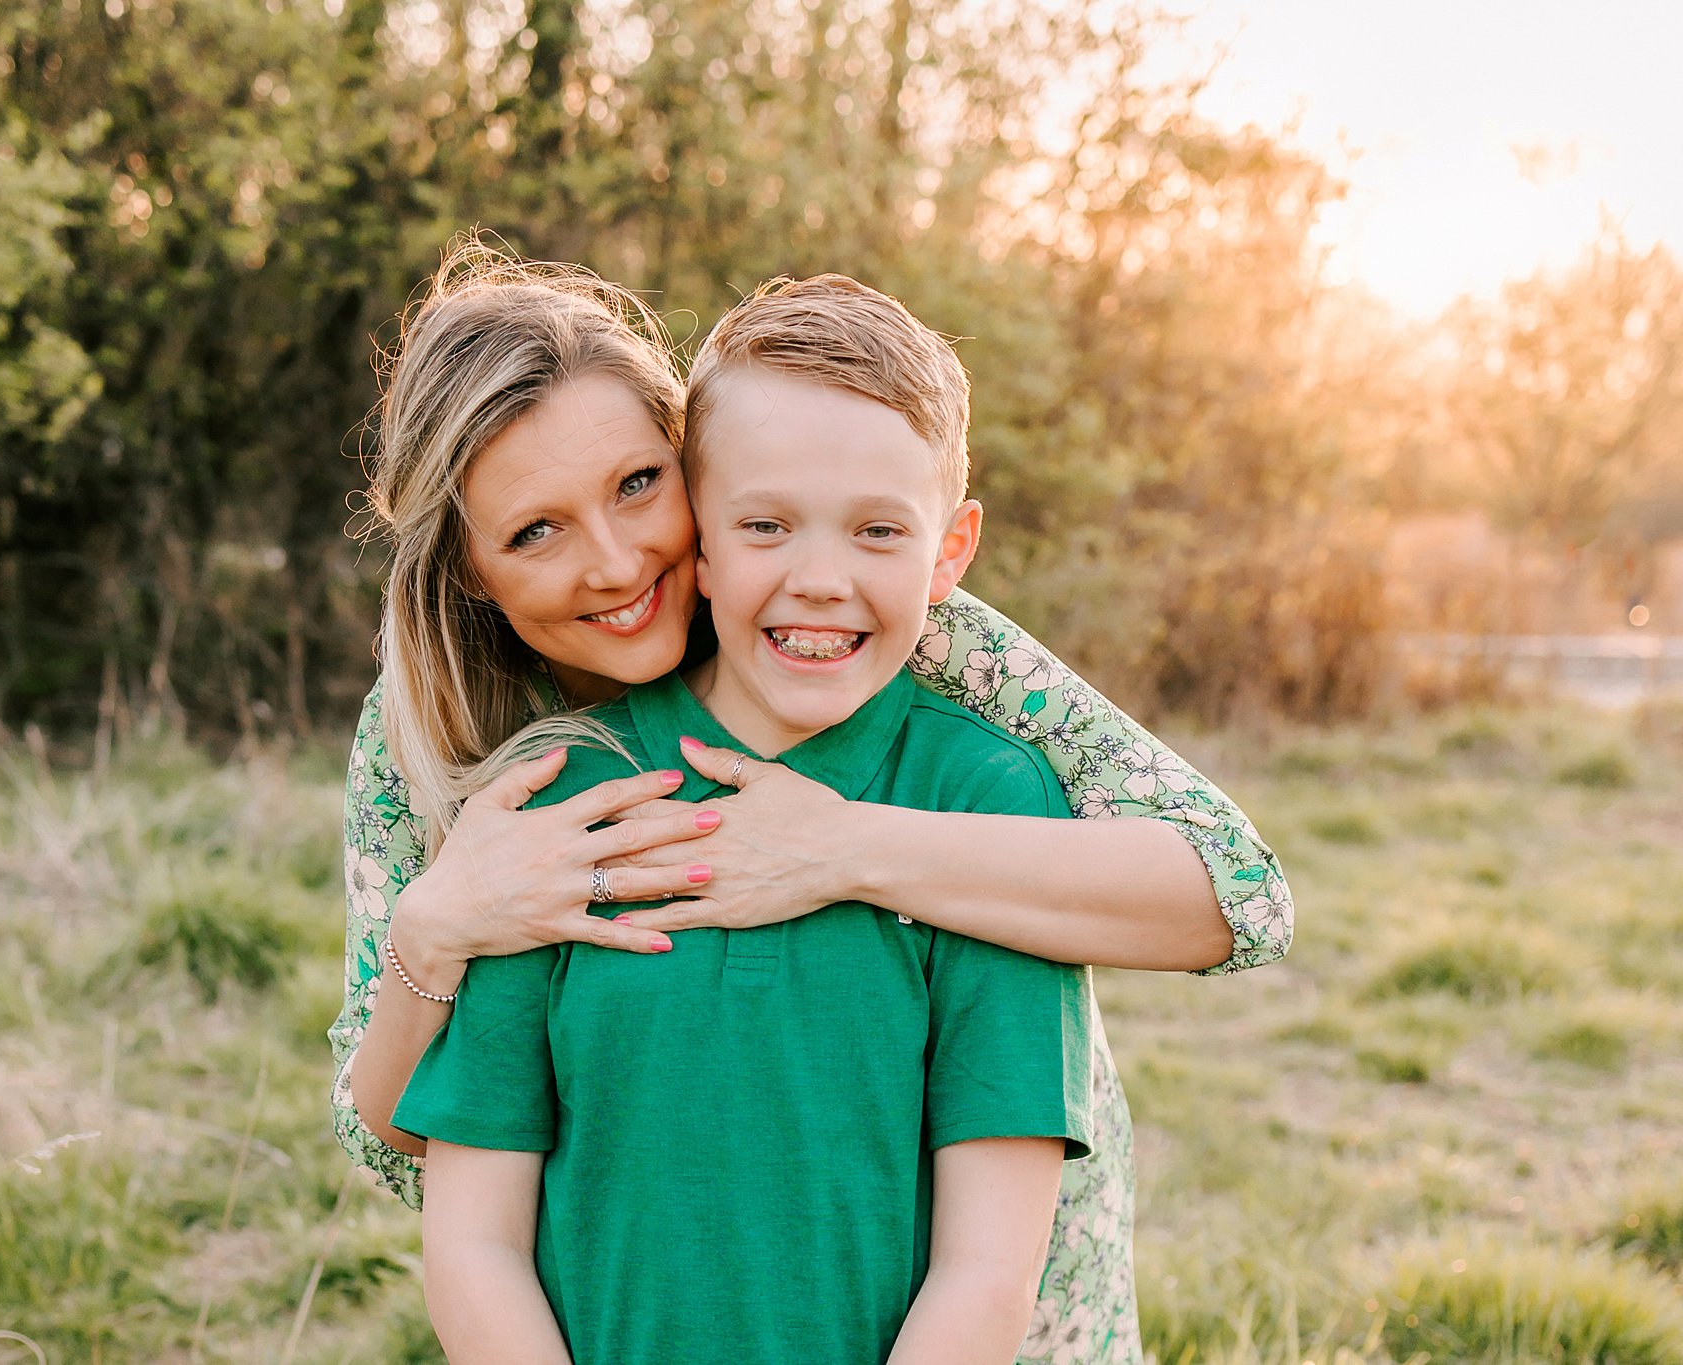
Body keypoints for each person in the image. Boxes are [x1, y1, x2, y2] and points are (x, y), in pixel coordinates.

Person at [330, 236, 1294, 1363]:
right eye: (534, 531)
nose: (616, 561)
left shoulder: (928, 658)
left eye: (638, 486)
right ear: (470, 574)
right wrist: (436, 928)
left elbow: (1239, 899)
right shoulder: (463, 748)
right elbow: (408, 1138)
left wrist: (842, 849)